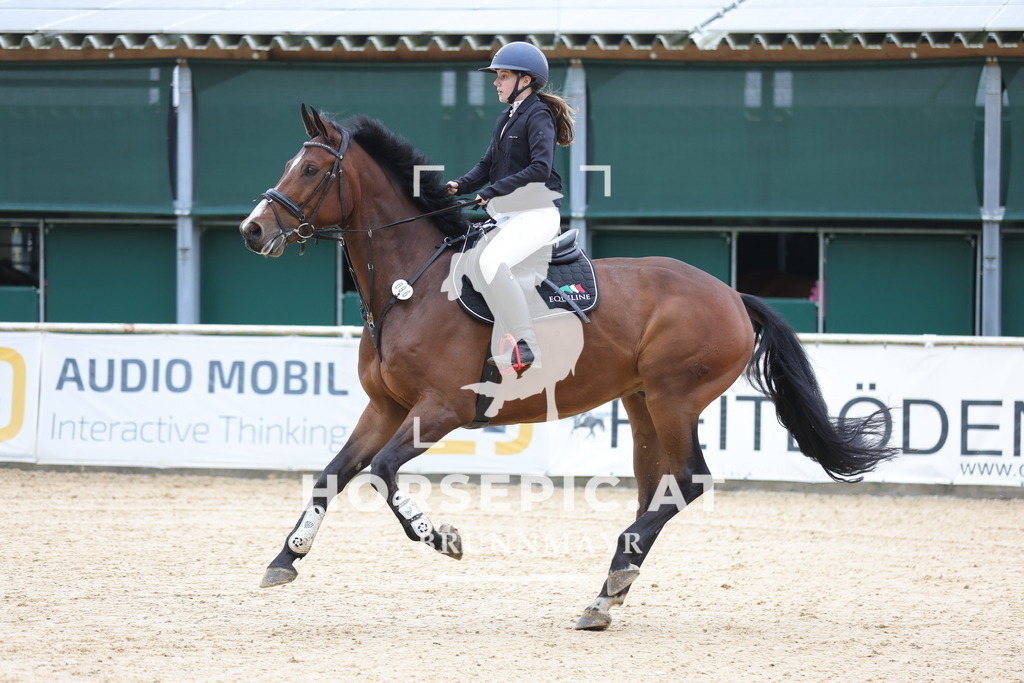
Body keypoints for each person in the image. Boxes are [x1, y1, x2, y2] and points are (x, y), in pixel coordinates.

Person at [446, 41, 575, 372]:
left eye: (502, 76)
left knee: (492, 261)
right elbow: (487, 164)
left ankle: (526, 343)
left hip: (536, 214)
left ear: (526, 80)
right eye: (498, 76)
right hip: (508, 215)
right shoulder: (506, 117)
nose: (496, 82)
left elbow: (540, 168)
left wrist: (492, 191)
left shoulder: (539, 115)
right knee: (466, 260)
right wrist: (459, 185)